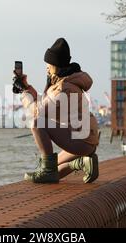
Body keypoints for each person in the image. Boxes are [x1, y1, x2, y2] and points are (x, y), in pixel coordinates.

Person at [15, 37, 100, 184]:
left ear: (57, 65)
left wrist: (24, 94)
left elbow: (37, 111)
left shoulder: (63, 88)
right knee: (56, 169)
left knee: (36, 123)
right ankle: (81, 163)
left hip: (82, 140)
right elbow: (45, 103)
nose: (47, 67)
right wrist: (27, 87)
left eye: (49, 64)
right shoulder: (65, 82)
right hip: (87, 139)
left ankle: (47, 171)